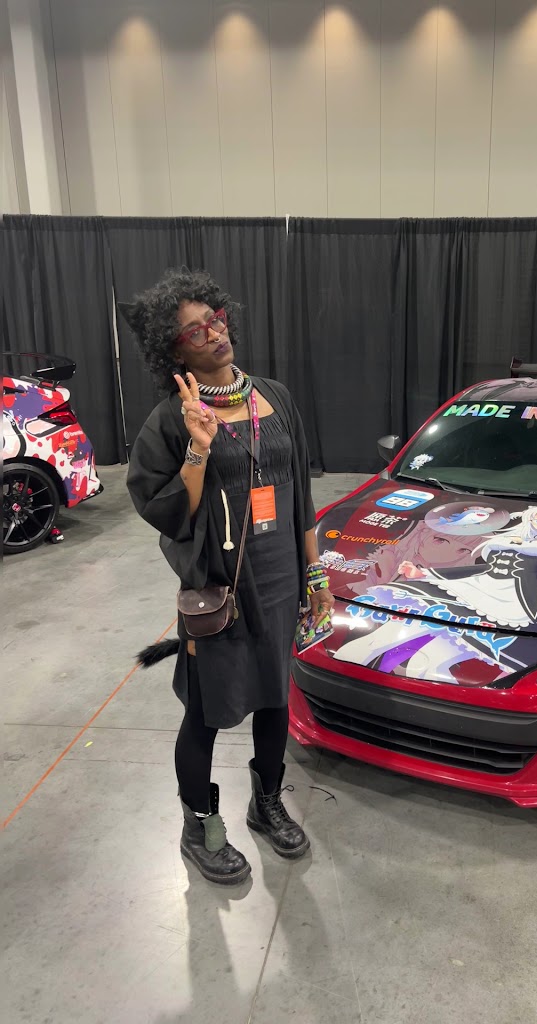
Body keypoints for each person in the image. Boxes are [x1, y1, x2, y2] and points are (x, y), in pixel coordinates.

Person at [120, 268, 333, 886]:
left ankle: (266, 803)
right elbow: (170, 512)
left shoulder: (276, 396)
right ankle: (200, 827)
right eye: (194, 331)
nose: (213, 333)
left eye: (214, 319)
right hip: (222, 589)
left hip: (282, 578)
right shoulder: (170, 420)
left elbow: (300, 496)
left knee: (275, 698)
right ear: (173, 351)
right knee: (207, 713)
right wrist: (198, 448)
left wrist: (314, 573)